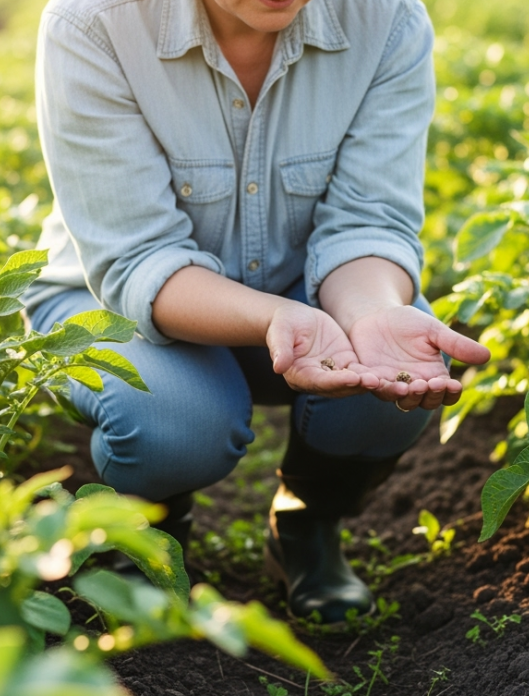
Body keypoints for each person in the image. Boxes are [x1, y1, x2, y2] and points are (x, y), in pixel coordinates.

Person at [26, 0, 490, 623]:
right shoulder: (94, 23)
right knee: (177, 423)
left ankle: (306, 523)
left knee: (389, 379)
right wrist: (271, 317)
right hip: (117, 299)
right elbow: (136, 258)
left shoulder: (385, 19)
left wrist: (370, 314)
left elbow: (368, 223)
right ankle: (142, 531)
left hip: (302, 289)